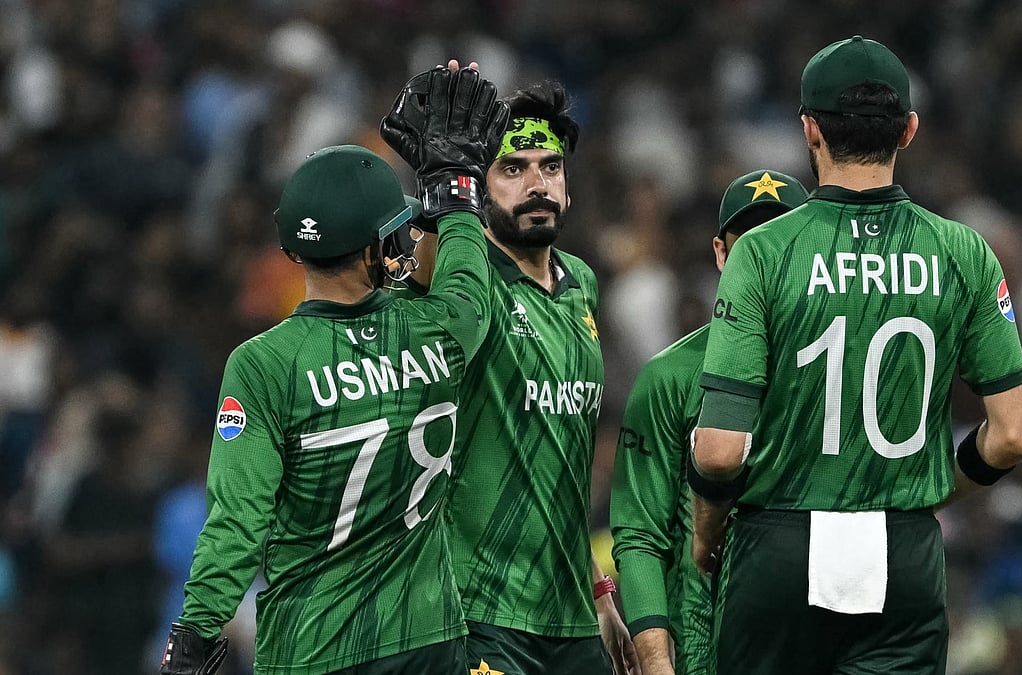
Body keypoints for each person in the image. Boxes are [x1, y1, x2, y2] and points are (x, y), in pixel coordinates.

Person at [688, 36, 1022, 675]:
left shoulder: (761, 252)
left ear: (809, 129)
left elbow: (718, 450)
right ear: (908, 130)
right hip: (904, 550)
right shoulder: (965, 252)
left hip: (778, 545)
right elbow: (1014, 435)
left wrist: (707, 533)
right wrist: (932, 492)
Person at [158, 62, 508, 675]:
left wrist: (196, 633)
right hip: (425, 639)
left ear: (293, 249)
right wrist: (455, 190)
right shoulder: (438, 327)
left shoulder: (262, 364)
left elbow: (238, 523)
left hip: (311, 649)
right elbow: (467, 285)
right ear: (376, 248)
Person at [381, 80, 640, 675]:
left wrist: (599, 593)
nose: (537, 184)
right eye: (512, 169)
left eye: (551, 166)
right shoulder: (463, 279)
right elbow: (421, 268)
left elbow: (557, 466)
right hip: (478, 612)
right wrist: (443, 185)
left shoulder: (581, 285)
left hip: (572, 616)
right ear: (479, 185)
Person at [610, 170, 809, 675]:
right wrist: (656, 661)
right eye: (750, 245)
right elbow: (640, 533)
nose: (766, 261)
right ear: (721, 253)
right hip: (704, 650)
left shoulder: (843, 373)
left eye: (783, 243)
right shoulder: (669, 377)